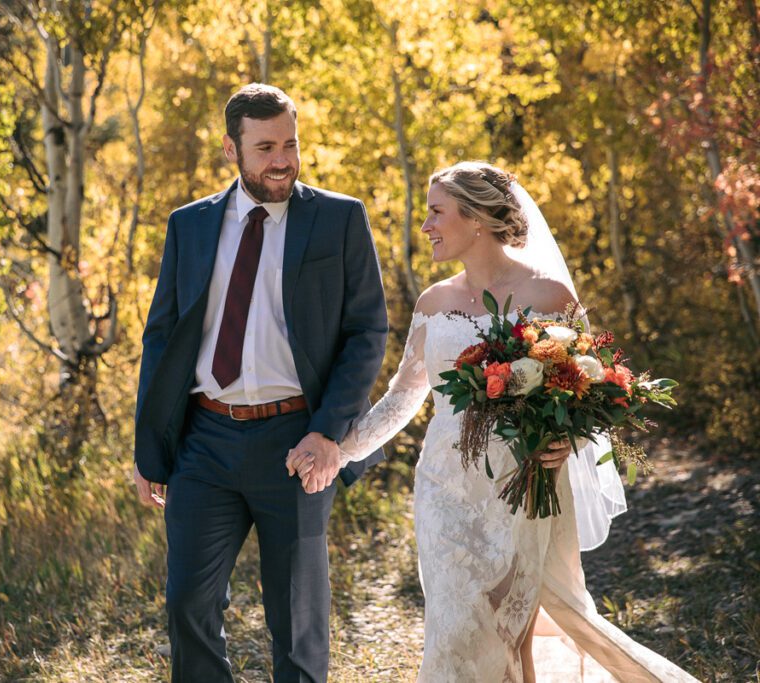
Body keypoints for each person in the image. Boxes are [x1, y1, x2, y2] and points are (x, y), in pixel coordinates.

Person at [287, 161, 699, 682]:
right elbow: (402, 400)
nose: (426, 226)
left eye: (437, 212)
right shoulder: (433, 302)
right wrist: (336, 449)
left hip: (523, 486)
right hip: (444, 489)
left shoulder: (550, 297)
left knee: (511, 631)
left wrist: (563, 443)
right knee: (454, 629)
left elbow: (589, 388)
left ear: (476, 217)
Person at [133, 83, 388, 683]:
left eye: (291, 144)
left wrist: (329, 433)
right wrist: (150, 452)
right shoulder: (189, 225)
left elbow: (366, 332)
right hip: (204, 443)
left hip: (296, 444)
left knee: (297, 621)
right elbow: (162, 339)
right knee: (187, 605)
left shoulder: (339, 218)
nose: (282, 160)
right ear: (232, 149)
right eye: (266, 146)